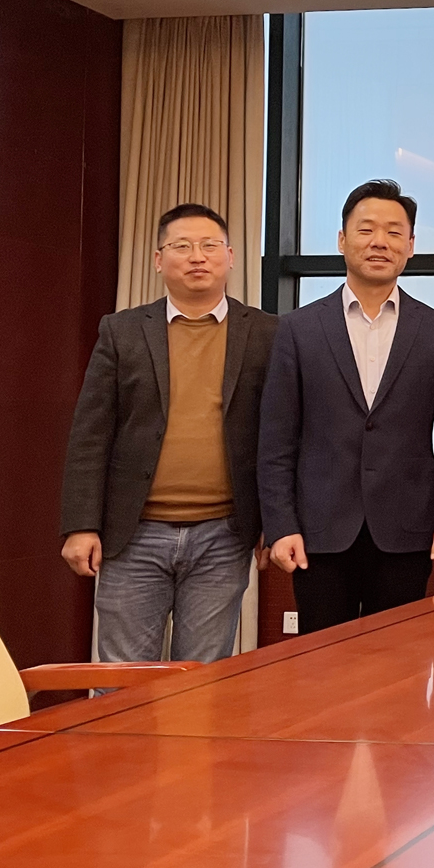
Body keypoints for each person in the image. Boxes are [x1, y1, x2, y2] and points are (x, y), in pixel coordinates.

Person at [59, 203, 277, 663]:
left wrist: (274, 522)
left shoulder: (265, 333)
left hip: (224, 534)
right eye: (182, 246)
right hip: (133, 533)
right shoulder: (122, 331)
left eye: (210, 245)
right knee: (122, 679)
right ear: (159, 259)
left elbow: (279, 435)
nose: (197, 256)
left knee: (201, 680)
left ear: (231, 256)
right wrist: (81, 525)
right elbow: (90, 435)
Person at [259, 179, 434, 633]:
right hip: (318, 534)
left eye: (394, 232)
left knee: (400, 662)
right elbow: (276, 441)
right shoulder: (297, 329)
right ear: (342, 239)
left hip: (407, 533)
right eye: (366, 229)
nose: (380, 242)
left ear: (410, 246)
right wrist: (280, 526)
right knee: (321, 661)